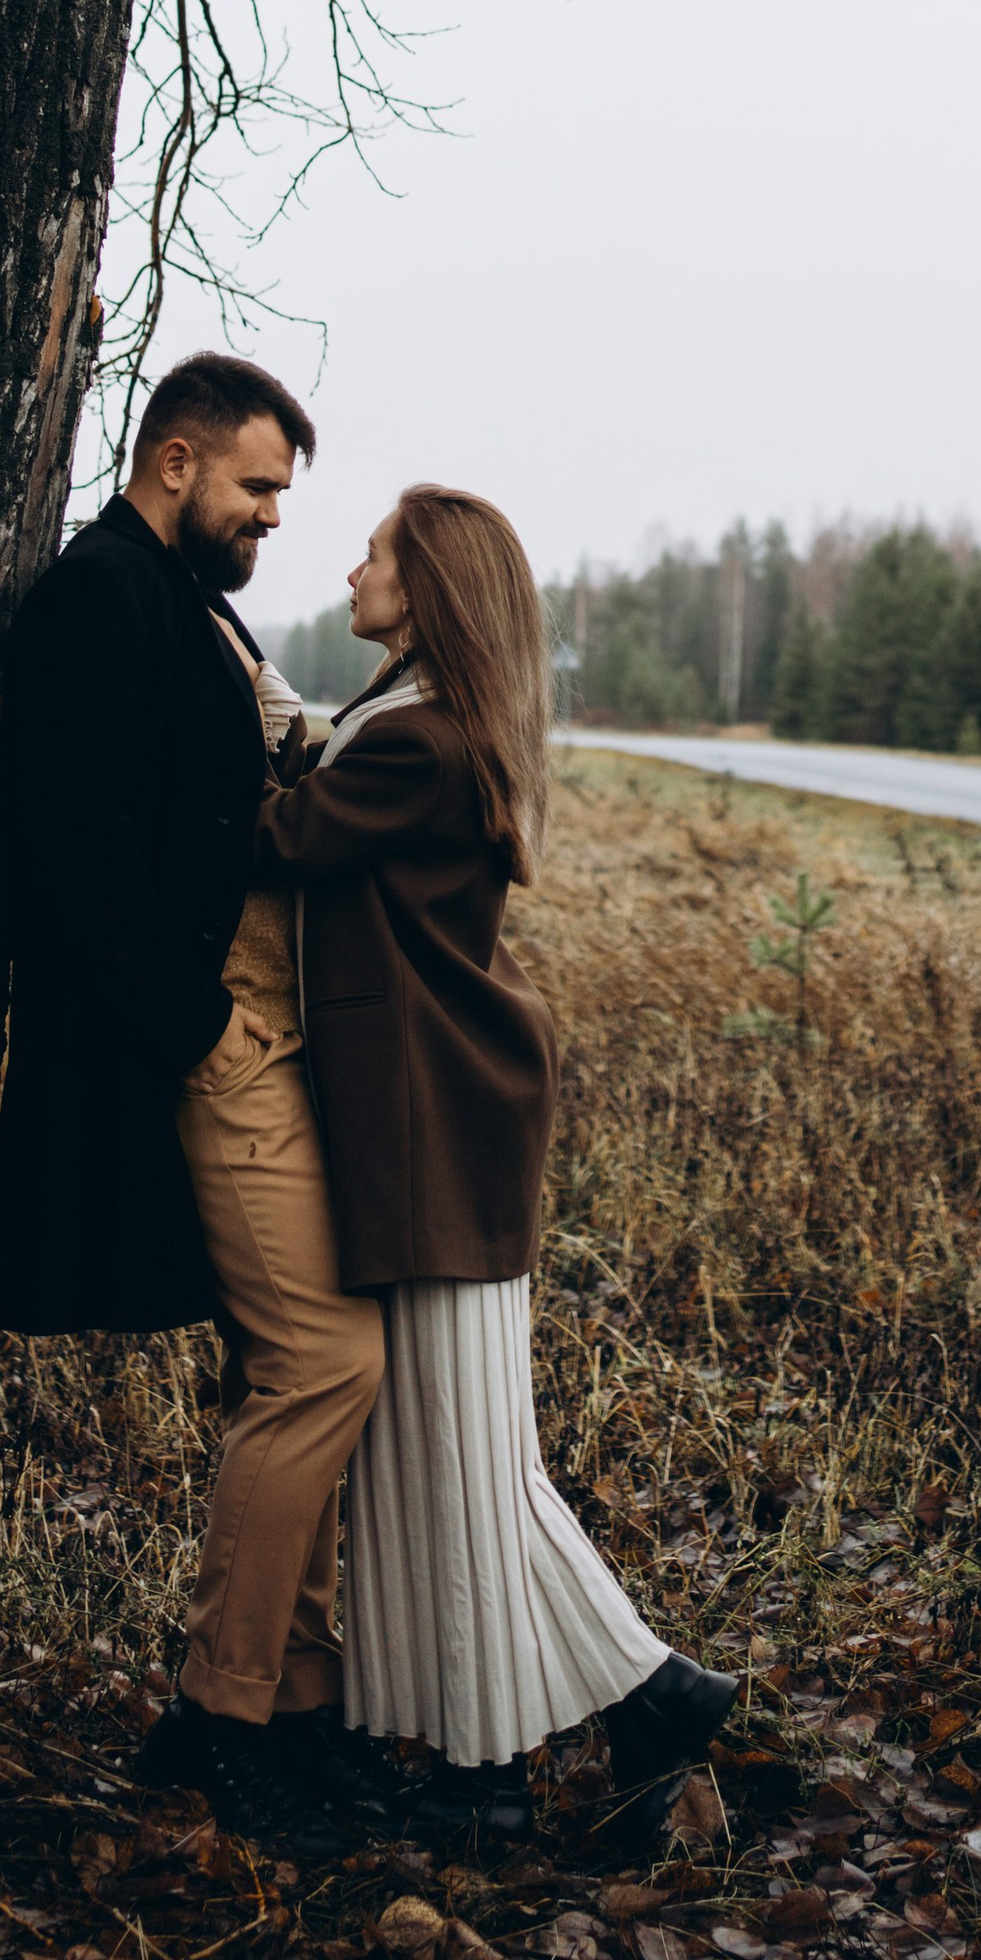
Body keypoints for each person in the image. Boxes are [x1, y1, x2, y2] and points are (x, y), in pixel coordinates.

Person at [252, 483, 737, 1846]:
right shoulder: (414, 728)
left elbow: (283, 833)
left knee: (465, 1464)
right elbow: (318, 753)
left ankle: (513, 1763)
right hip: (424, 1122)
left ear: (432, 590)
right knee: (432, 1458)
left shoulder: (422, 747)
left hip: (434, 1130)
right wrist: (253, 680)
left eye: (376, 555)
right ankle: (616, 1709)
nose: (352, 570)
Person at [0, 352, 389, 1853]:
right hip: (204, 1047)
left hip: (248, 1042)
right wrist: (202, 1030)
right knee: (320, 1364)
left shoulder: (187, 607)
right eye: (258, 486)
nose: (275, 517)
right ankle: (225, 1715)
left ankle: (296, 1702)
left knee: (308, 1369)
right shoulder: (101, 599)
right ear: (175, 463)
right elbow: (66, 850)